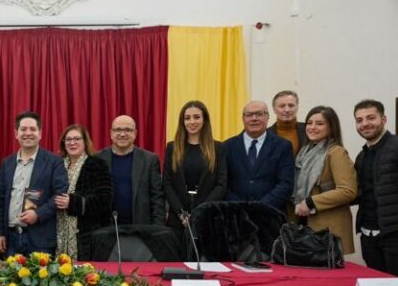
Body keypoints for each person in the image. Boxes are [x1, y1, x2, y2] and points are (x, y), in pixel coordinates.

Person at [353, 99, 398, 280]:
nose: (365, 124)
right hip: (369, 238)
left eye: (371, 118)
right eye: (359, 120)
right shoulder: (362, 156)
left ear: (383, 120)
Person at [0, 111, 68, 256]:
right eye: (23, 129)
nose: (28, 133)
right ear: (16, 133)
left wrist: (38, 214)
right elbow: (0, 199)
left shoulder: (54, 162)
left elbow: (59, 195)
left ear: (40, 133)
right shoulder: (7, 163)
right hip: (10, 238)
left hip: (40, 239)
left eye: (33, 129)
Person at [292, 106, 357, 254]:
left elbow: (348, 191)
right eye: (309, 123)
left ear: (331, 127)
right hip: (304, 223)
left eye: (320, 123)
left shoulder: (336, 153)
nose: (312, 127)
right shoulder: (304, 153)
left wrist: (311, 202)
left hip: (328, 227)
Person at [162, 101, 227, 238]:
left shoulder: (218, 148)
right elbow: (167, 183)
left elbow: (221, 185)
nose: (192, 122)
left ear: (204, 120)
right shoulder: (172, 148)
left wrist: (200, 212)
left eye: (197, 117)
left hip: (207, 217)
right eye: (187, 118)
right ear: (182, 122)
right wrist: (182, 213)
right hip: (177, 220)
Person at [53, 124, 113, 259]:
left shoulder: (97, 164)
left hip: (87, 235)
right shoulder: (56, 165)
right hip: (57, 234)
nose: (72, 143)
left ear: (85, 142)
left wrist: (73, 203)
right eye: (68, 140)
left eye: (77, 139)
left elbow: (105, 199)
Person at [224, 100, 294, 212]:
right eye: (249, 115)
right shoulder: (227, 146)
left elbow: (285, 184)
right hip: (235, 215)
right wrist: (240, 207)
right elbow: (223, 184)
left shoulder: (283, 146)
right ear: (243, 118)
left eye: (259, 114)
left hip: (271, 215)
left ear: (267, 117)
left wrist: (260, 207)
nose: (254, 118)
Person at [95, 115, 165, 226]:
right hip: (106, 230)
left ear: (135, 133)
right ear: (111, 133)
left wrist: (157, 231)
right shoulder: (97, 159)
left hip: (141, 229)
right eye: (118, 130)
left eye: (127, 130)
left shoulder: (150, 160)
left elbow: (157, 199)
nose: (122, 134)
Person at [268, 90, 308, 156]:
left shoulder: (309, 130)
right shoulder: (266, 135)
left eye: (291, 105)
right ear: (274, 109)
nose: (287, 110)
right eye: (282, 106)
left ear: (297, 107)